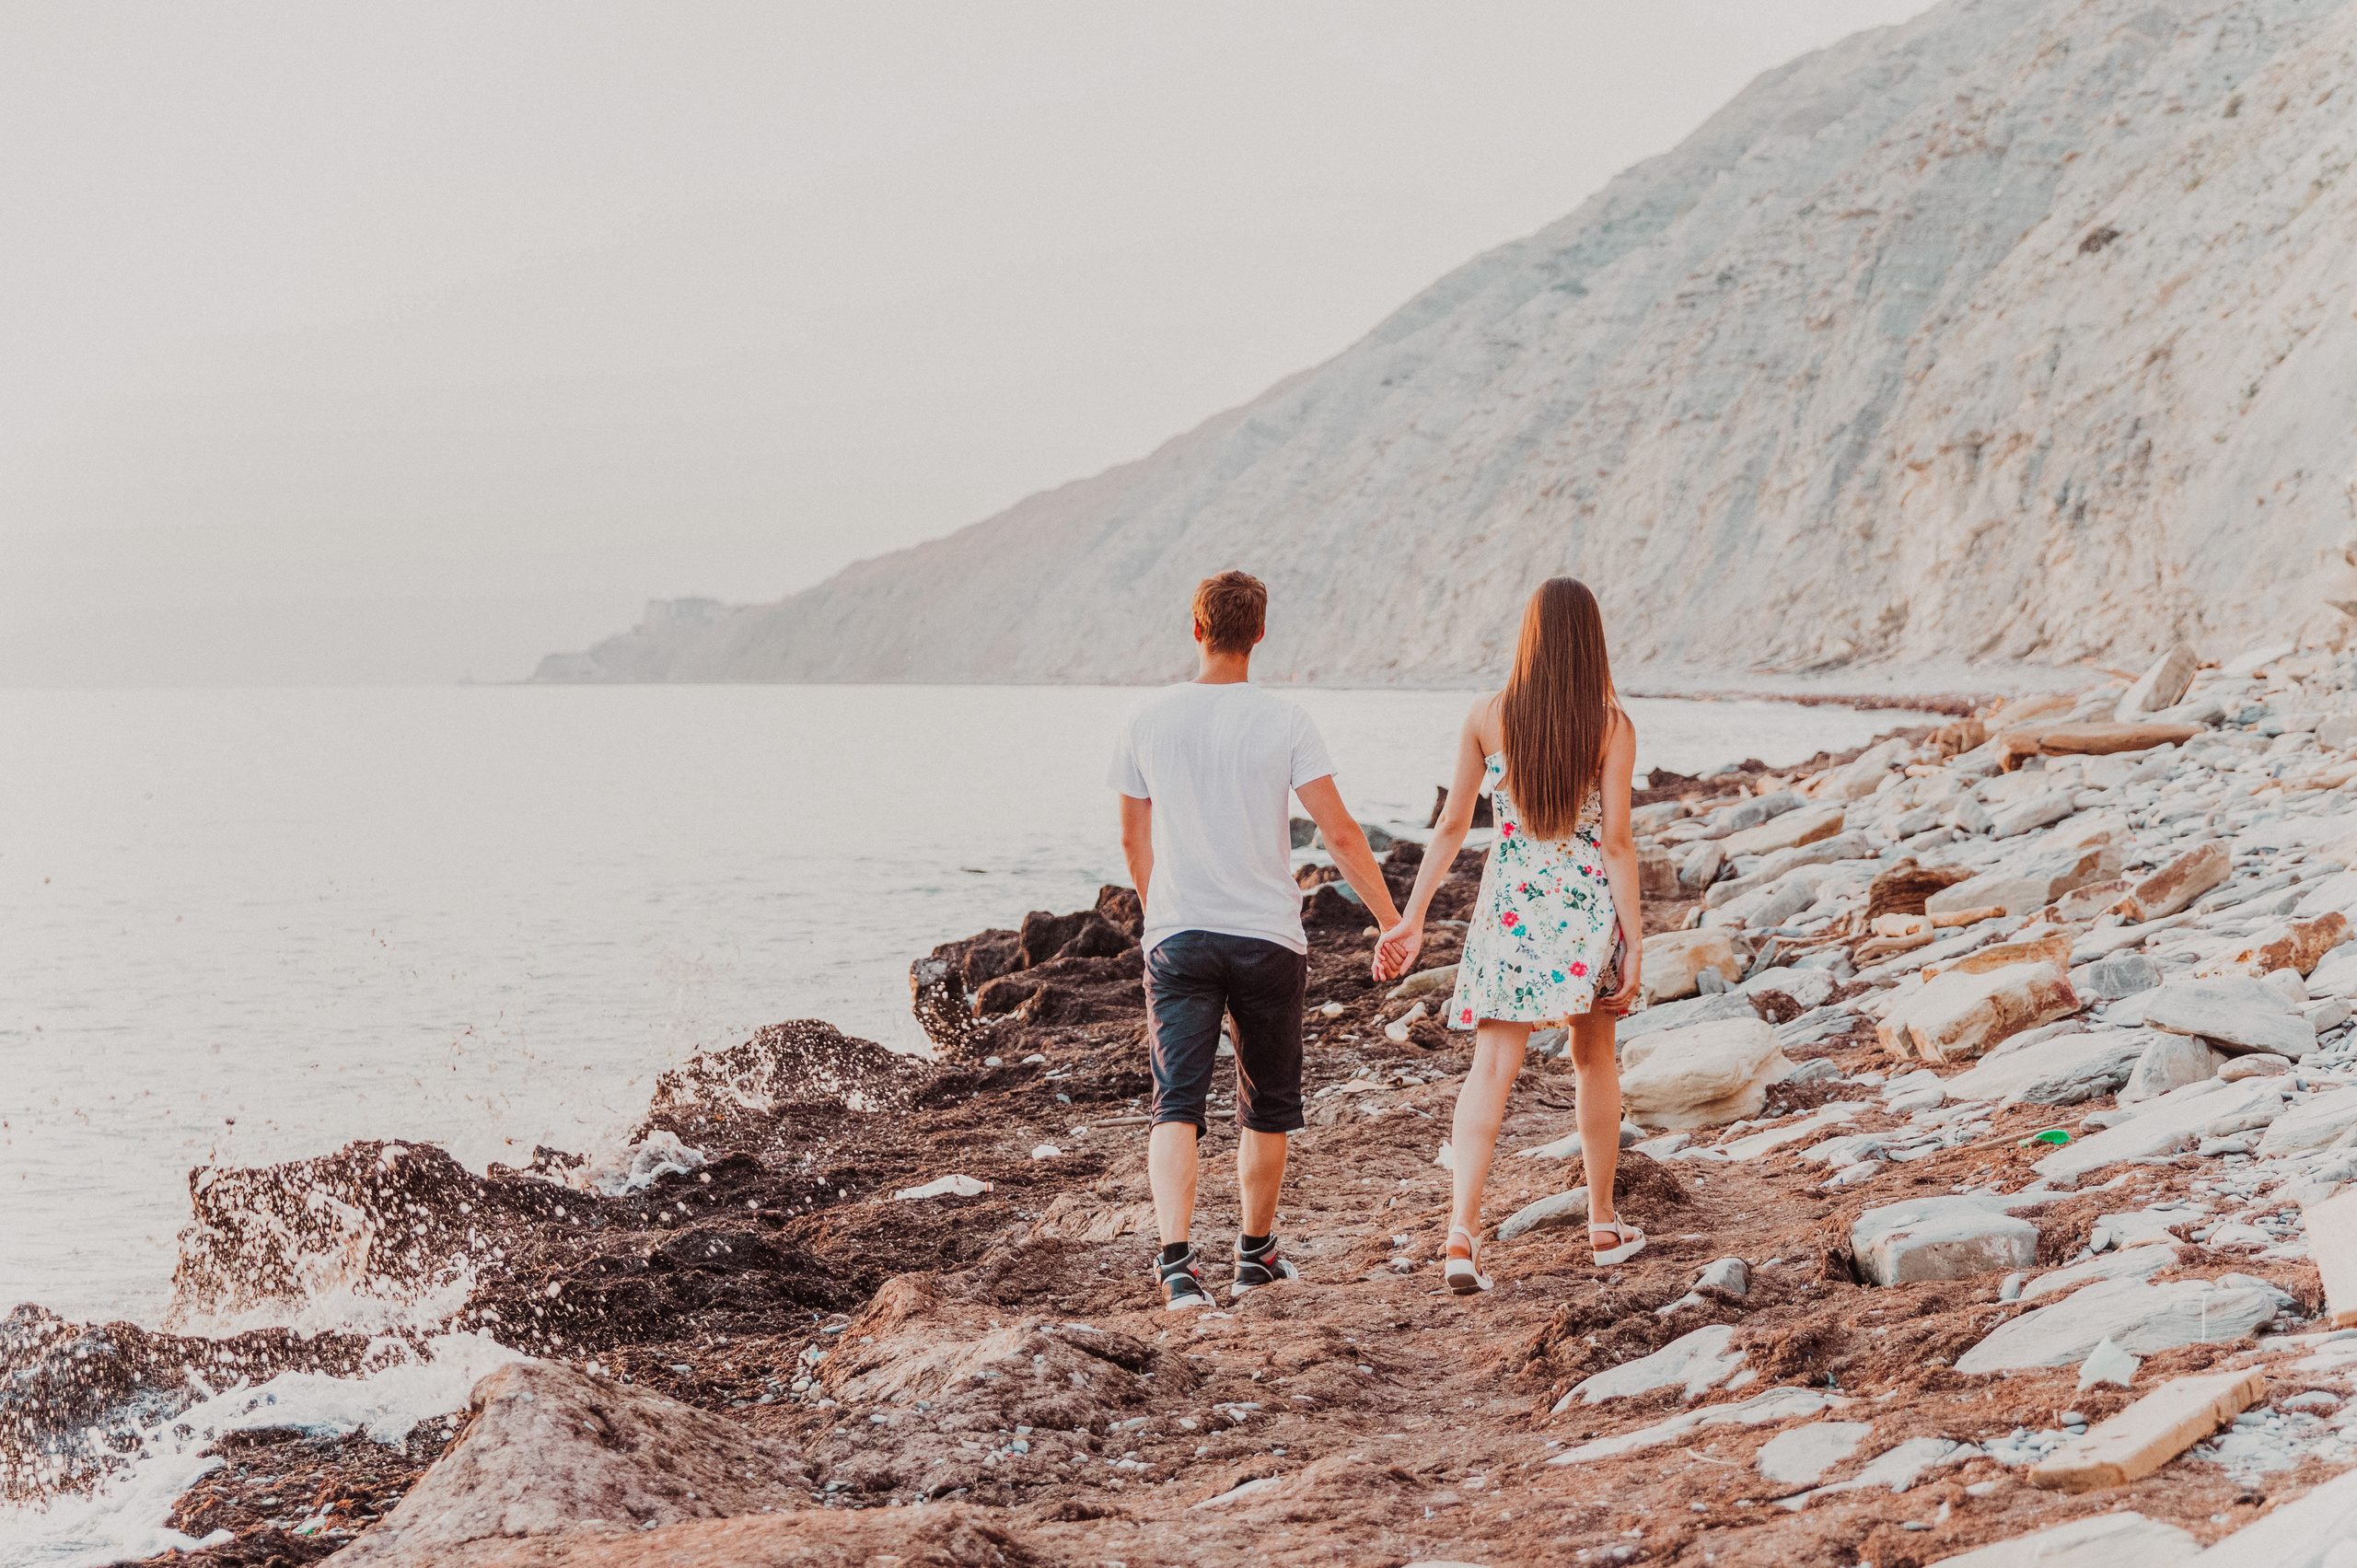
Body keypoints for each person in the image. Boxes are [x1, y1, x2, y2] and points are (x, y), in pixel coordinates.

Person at [1110, 570, 1404, 1311]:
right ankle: (1253, 1255)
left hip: (1179, 937)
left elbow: (1130, 835)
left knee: (1175, 1102)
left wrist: (1159, 912)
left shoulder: (1146, 717)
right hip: (1269, 938)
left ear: (1197, 628)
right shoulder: (1285, 719)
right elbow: (1337, 832)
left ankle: (1177, 1267)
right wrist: (1391, 918)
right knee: (1265, 1104)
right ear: (1260, 635)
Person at [1376, 577, 1645, 1293]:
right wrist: (1636, 939)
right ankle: (1602, 1222)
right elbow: (1616, 843)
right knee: (1595, 1060)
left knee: (1491, 1068)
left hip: (1513, 905)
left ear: (1528, 636)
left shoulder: (1487, 715)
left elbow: (1452, 825)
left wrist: (1414, 912)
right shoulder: (1612, 725)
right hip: (1587, 905)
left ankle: (1461, 1234)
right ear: (1590, 640)